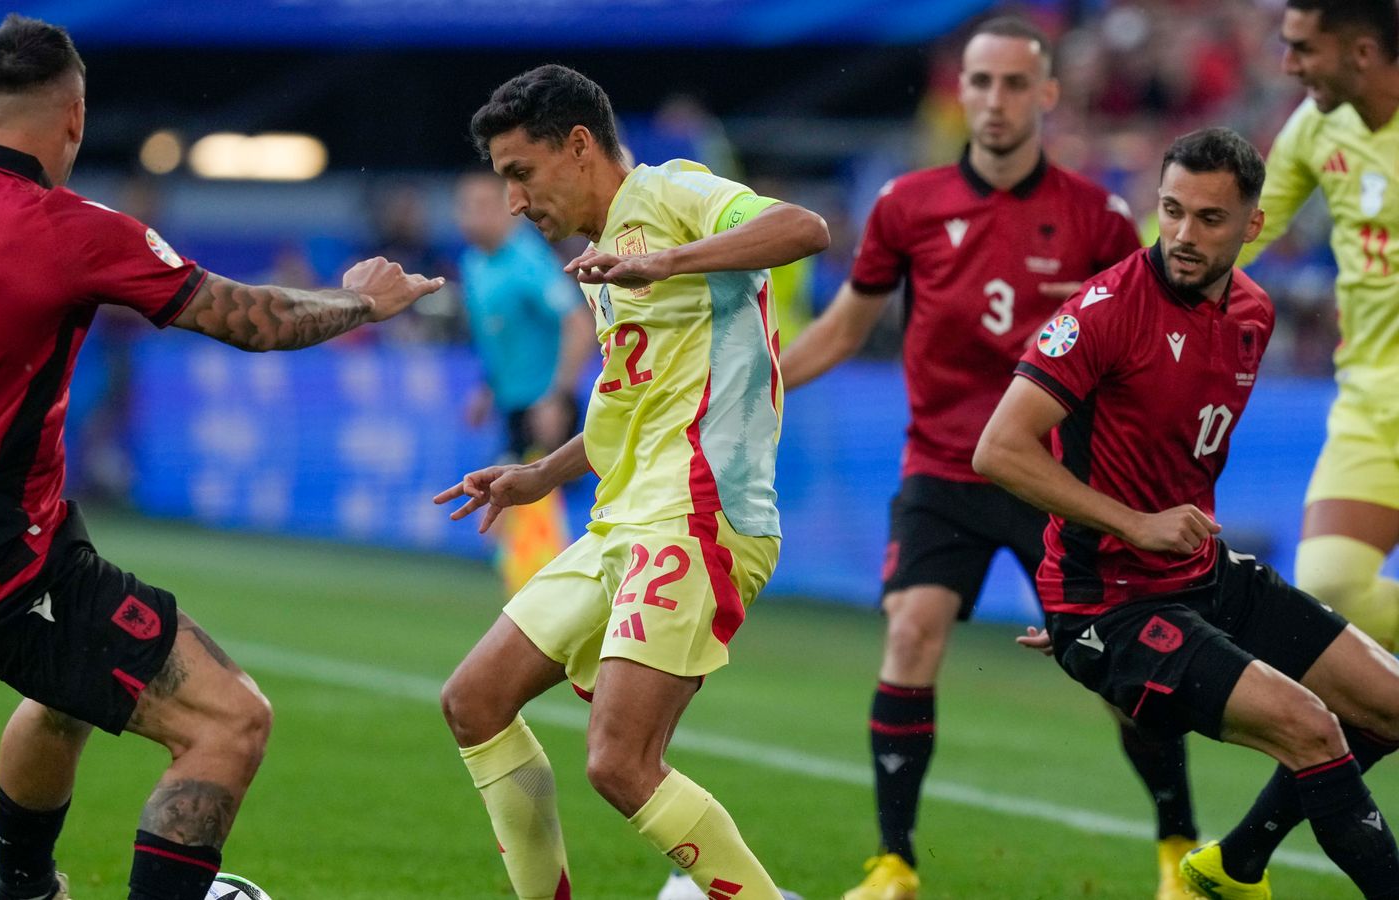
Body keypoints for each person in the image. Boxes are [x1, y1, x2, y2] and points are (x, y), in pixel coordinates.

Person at [0, 15, 442, 900]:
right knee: (231, 724)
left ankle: (23, 889)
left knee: (71, 696)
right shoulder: (72, 229)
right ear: (75, 117)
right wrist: (360, 304)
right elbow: (250, 320)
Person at [779, 17, 1196, 900]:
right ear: (958, 92)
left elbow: (1138, 352)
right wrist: (760, 383)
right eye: (980, 83)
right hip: (941, 468)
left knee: (1117, 673)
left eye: (1014, 84)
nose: (995, 101)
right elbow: (845, 328)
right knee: (911, 631)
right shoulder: (907, 206)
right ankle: (894, 863)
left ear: (1047, 95)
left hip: (1057, 483)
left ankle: (1176, 850)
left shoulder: (1098, 218)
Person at [432, 64, 828, 900]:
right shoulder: (601, 260)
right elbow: (632, 408)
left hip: (701, 513)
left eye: (520, 174)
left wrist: (674, 261)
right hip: (624, 520)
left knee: (619, 762)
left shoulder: (676, 192)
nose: (513, 201)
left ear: (578, 146)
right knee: (474, 701)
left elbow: (805, 228)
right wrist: (539, 473)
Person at [975, 126, 1399, 899]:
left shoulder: (1254, 315)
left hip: (1200, 578)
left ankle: (1234, 867)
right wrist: (1100, 588)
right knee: (1311, 728)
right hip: (1114, 601)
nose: (1182, 234)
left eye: (1208, 218)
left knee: (1389, 705)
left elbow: (1170, 457)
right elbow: (999, 449)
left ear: (1251, 225)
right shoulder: (1103, 311)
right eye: (1171, 210)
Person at [1235, 0, 1399, 649]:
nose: (1288, 64)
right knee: (1331, 589)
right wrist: (1119, 279)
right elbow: (1240, 230)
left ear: (1360, 53)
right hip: (1371, 401)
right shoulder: (1314, 127)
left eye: (1304, 49)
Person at [454, 171, 590, 463]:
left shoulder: (529, 260)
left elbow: (579, 324)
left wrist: (559, 399)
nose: (471, 216)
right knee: (509, 499)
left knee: (513, 498)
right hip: (511, 405)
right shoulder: (473, 264)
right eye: (465, 206)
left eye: (482, 206)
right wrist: (488, 388)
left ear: (507, 209)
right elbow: (501, 333)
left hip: (543, 408)